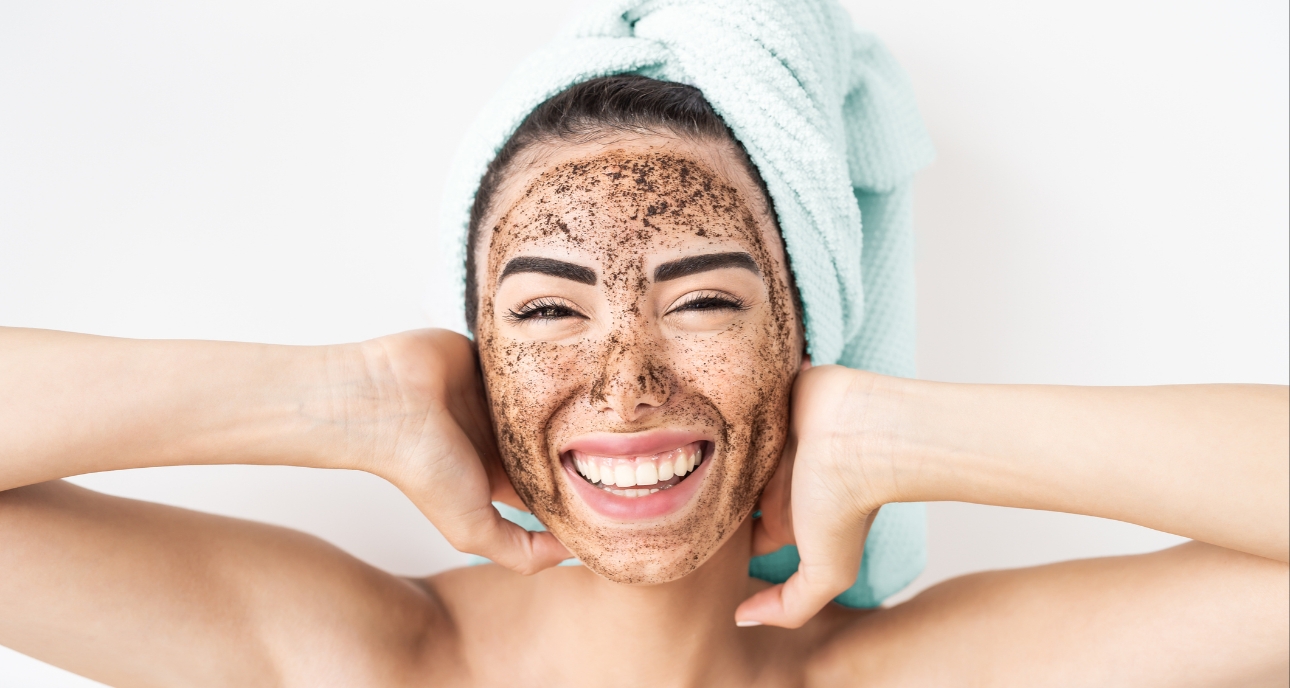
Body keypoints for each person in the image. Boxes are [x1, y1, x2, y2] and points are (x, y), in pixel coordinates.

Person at [3, 5, 1288, 685]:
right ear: (476, 355)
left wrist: (889, 429)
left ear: (806, 332)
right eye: (548, 310)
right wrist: (343, 399)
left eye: (707, 300)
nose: (627, 383)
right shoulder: (345, 664)